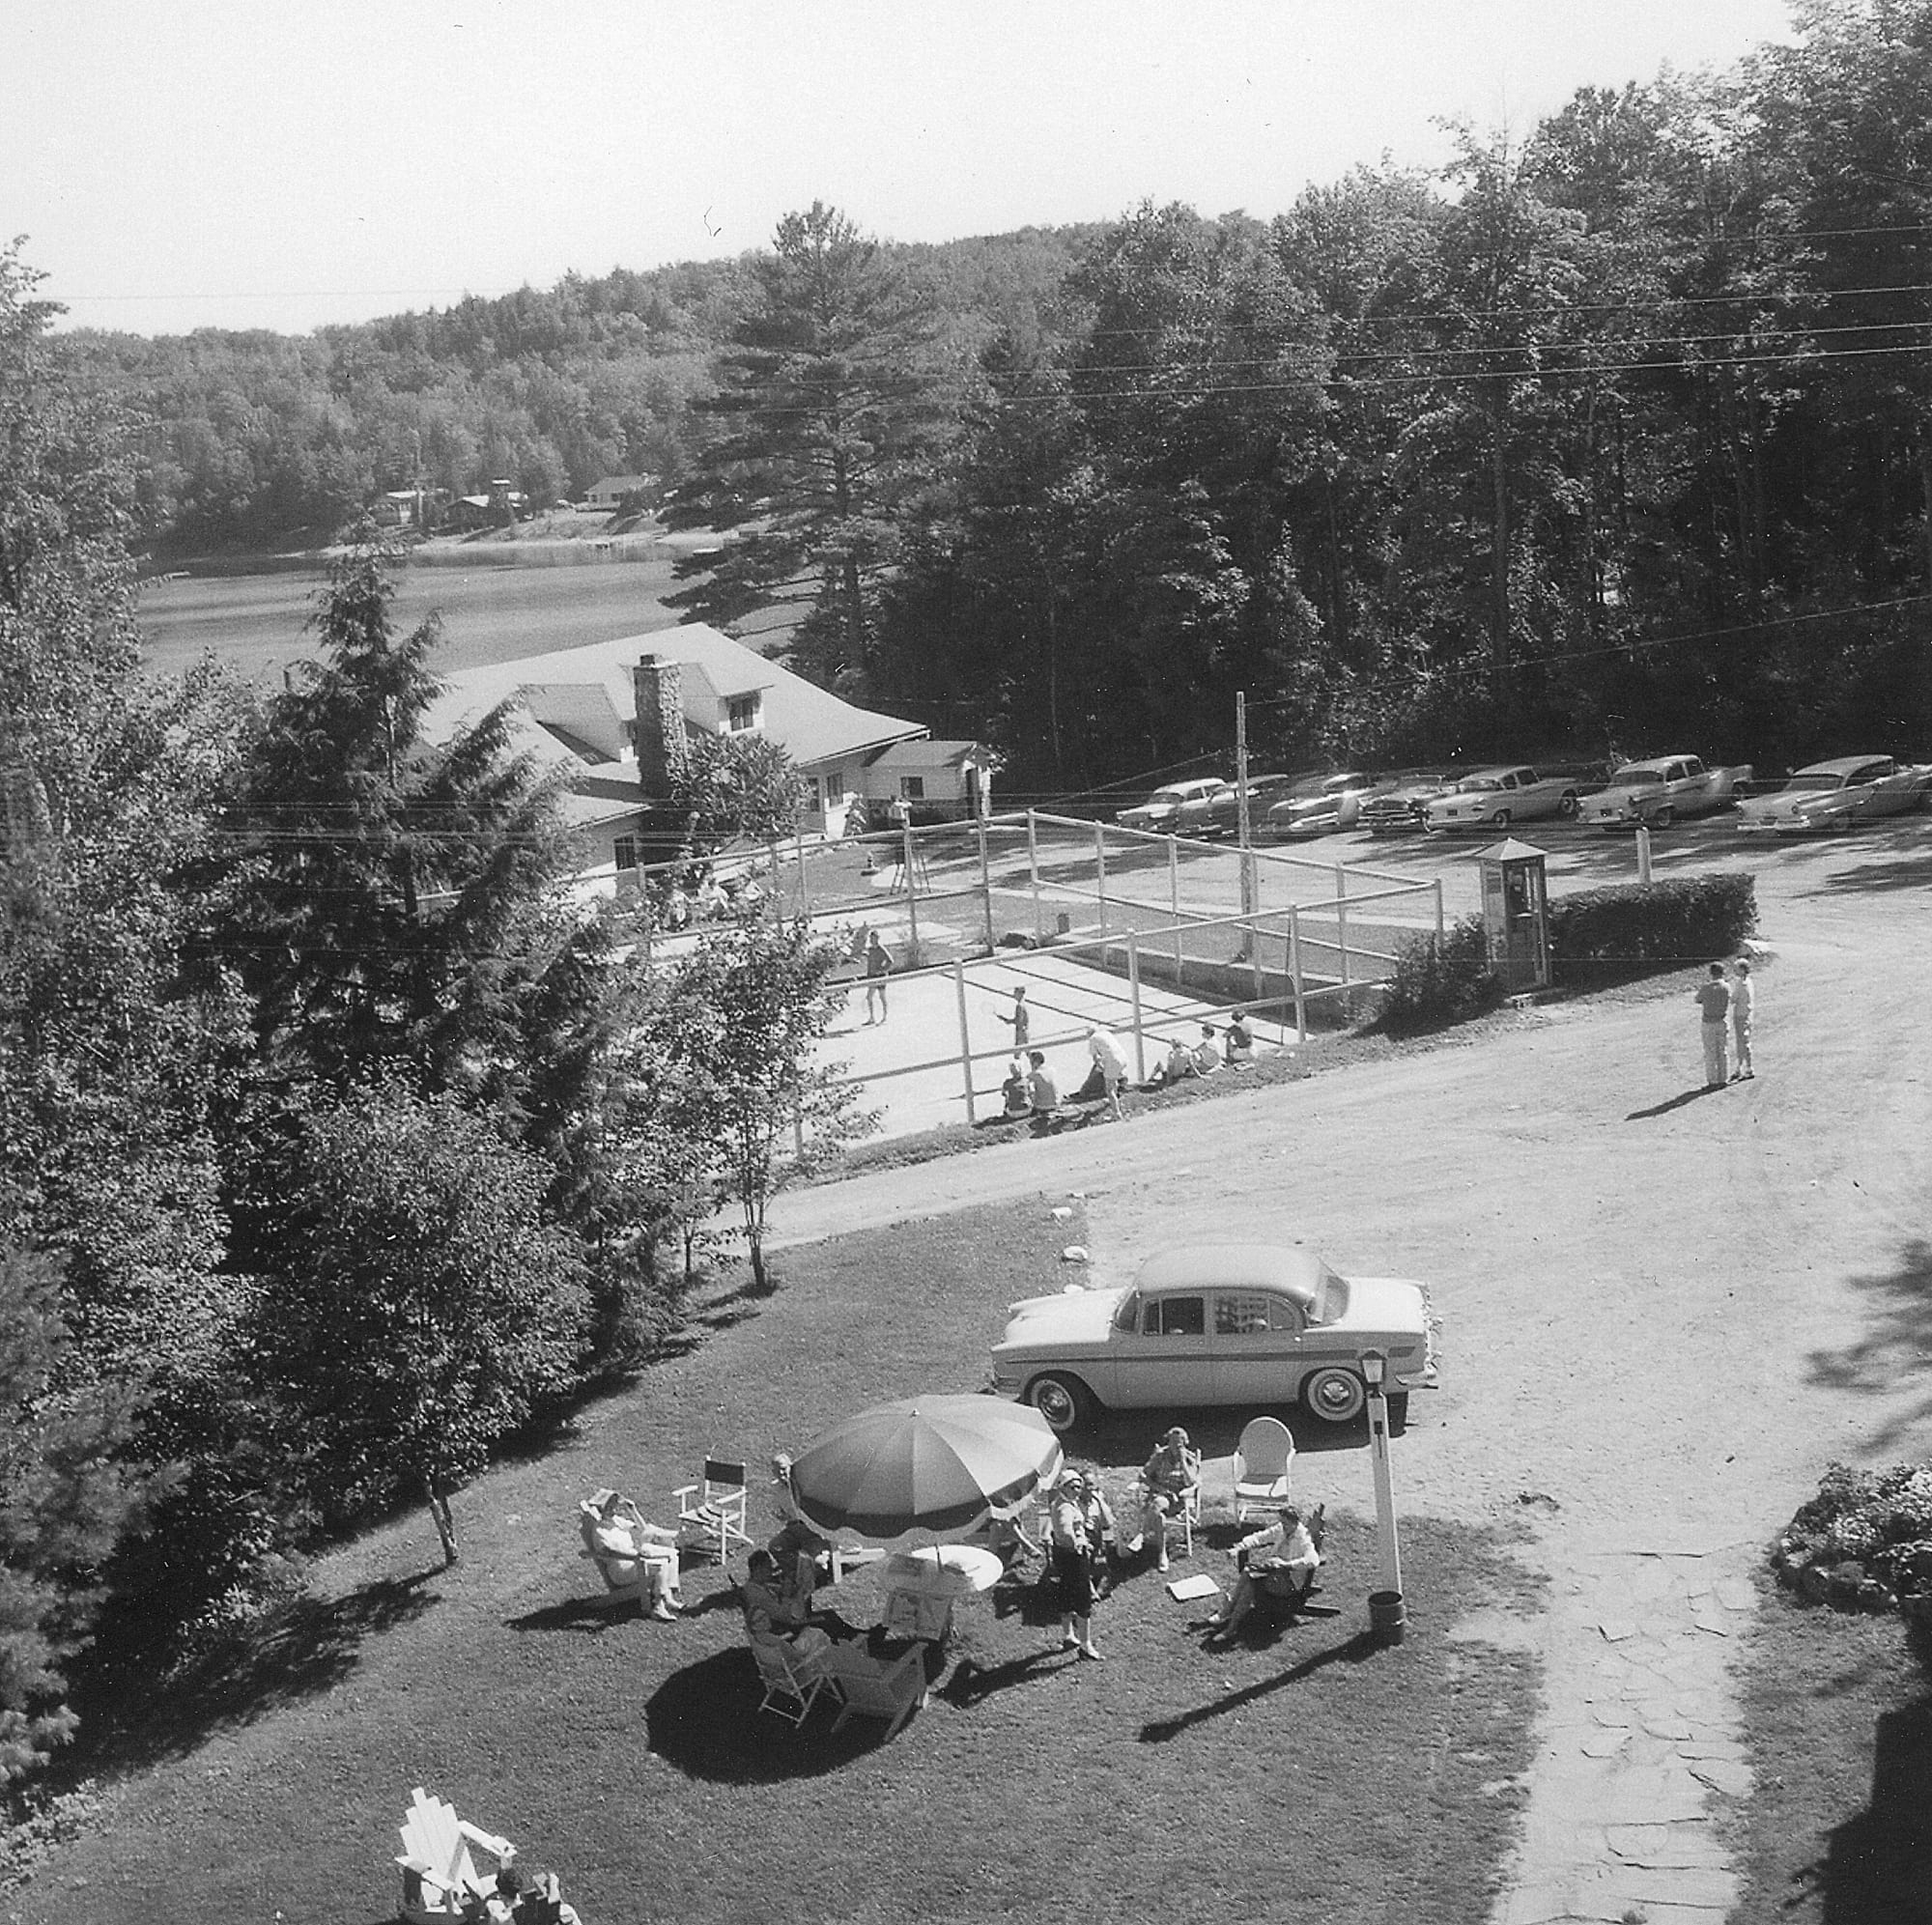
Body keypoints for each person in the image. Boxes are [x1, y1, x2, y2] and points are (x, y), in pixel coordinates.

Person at [1207, 1504, 1322, 1641]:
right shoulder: (1282, 1529)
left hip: (1289, 1582)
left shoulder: (1303, 1538)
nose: (1282, 1526)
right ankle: (1228, 1615)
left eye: (1285, 1524)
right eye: (1281, 1522)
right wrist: (1239, 1548)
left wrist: (1287, 1565)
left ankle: (1229, 1623)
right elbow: (1260, 1537)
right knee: (1248, 1572)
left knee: (1250, 1584)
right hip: (1273, 1572)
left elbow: (1313, 1560)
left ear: (1295, 1523)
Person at [578, 1489, 682, 1621]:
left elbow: (643, 1530)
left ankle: (668, 1598)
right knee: (660, 1564)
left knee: (672, 1554)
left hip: (634, 1559)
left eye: (614, 1505)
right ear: (601, 1509)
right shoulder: (600, 1530)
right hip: (621, 1569)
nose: (614, 1509)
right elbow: (609, 1551)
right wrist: (635, 1556)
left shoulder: (616, 1521)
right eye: (609, 1507)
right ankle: (658, 1607)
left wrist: (633, 1511)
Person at [1047, 1470, 1113, 1659]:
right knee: (1084, 1600)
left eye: (1079, 1486)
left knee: (1066, 1594)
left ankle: (1069, 1636)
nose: (1077, 1490)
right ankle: (1086, 1646)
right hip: (1073, 1557)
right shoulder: (1065, 1508)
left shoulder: (1061, 1502)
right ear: (1063, 1487)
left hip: (1061, 1554)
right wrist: (1078, 1544)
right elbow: (1064, 1530)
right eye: (1072, 1487)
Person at [740, 1547, 832, 1656]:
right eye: (768, 1568)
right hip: (782, 1630)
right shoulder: (757, 1594)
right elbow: (784, 1617)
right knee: (828, 1620)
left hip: (780, 1624)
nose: (771, 1571)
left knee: (826, 1614)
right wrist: (786, 1596)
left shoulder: (757, 1586)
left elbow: (777, 1590)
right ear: (758, 1569)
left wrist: (793, 1586)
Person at [1139, 1426, 1202, 1574]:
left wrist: (1182, 1461)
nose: (1175, 1446)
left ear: (1185, 1443)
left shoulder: (1189, 1458)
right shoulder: (1160, 1456)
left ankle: (1142, 1534)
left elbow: (1190, 1482)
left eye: (1179, 1443)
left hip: (1179, 1499)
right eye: (1172, 1442)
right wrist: (1159, 1488)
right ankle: (1162, 1555)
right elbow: (1142, 1475)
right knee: (1159, 1511)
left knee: (1158, 1506)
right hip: (1160, 1495)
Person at [1693, 962, 1732, 1090]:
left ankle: (1713, 1080)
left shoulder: (1706, 987)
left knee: (1710, 1052)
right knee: (1722, 1051)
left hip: (1708, 1022)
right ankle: (1723, 1078)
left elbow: (1697, 999)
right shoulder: (1726, 987)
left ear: (1711, 973)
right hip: (1721, 1020)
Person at [1087, 1024, 1128, 1120]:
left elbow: (1095, 1058)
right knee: (1114, 1082)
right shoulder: (1106, 1033)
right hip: (1123, 1058)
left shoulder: (1092, 1039)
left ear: (1089, 1033)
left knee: (1109, 1089)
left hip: (1113, 1061)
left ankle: (1117, 1113)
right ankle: (1116, 1102)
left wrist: (1101, 1068)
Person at [1731, 957, 1756, 1080]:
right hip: (1747, 1013)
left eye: (1736, 968)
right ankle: (1740, 1067)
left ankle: (1748, 1067)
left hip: (1741, 1014)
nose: (1734, 971)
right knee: (1743, 1041)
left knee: (1742, 1041)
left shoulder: (1741, 984)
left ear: (1742, 970)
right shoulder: (1748, 981)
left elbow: (1734, 999)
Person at [1026, 1049, 1061, 1126]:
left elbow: (1031, 1092)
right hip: (1056, 1103)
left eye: (1031, 1062)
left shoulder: (1032, 1075)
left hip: (1043, 1106)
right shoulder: (1052, 1070)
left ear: (1036, 1062)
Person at [864, 930, 892, 1024]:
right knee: (869, 996)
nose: (871, 940)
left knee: (882, 996)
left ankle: (885, 1016)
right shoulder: (870, 950)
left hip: (880, 976)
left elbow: (890, 960)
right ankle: (872, 1017)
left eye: (873, 938)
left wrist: (882, 969)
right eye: (870, 938)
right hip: (872, 976)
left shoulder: (881, 949)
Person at [998, 984, 1032, 1051]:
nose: (1014, 994)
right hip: (1025, 1031)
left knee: (1017, 1053)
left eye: (1015, 992)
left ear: (1020, 993)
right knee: (1027, 1052)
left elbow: (1019, 1021)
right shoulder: (1023, 1003)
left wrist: (1008, 1021)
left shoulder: (1019, 1006)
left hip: (1021, 1033)